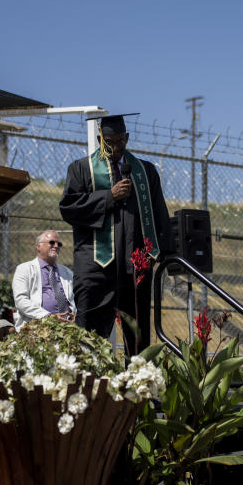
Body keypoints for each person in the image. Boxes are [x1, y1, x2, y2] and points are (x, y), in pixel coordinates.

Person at [59, 113, 175, 354]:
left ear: (128, 137)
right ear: (101, 138)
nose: (116, 147)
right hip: (96, 269)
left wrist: (164, 253)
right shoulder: (82, 169)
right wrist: (109, 196)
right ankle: (89, 388)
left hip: (136, 269)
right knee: (89, 339)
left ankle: (135, 388)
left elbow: (160, 214)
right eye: (109, 142)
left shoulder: (145, 172)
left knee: (137, 339)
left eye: (121, 141)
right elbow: (69, 208)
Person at [11, 230, 75, 329]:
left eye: (59, 244)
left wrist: (76, 315)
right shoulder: (24, 269)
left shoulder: (67, 272)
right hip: (37, 324)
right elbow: (21, 301)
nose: (56, 246)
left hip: (67, 325)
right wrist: (48, 316)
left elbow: (76, 299)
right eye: (52, 242)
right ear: (38, 246)